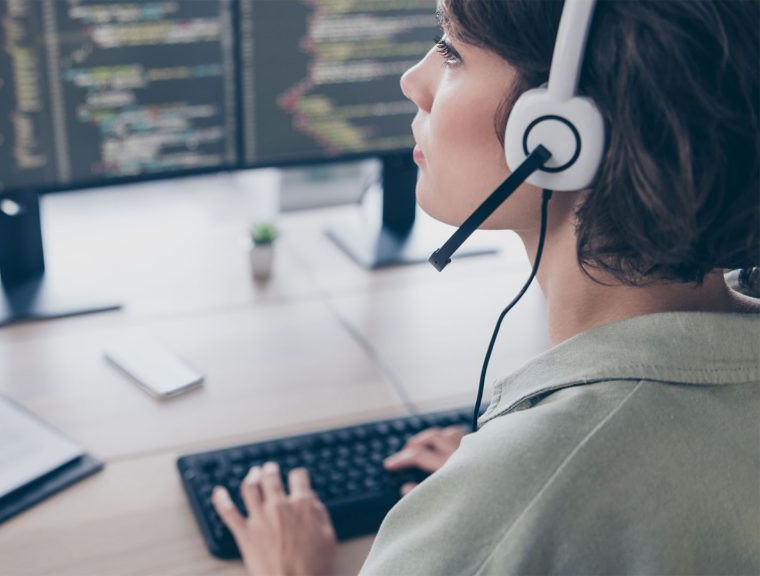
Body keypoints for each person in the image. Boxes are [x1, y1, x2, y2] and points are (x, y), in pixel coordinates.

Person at [210, 0, 760, 574]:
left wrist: (503, 493)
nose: (412, 81)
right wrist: (510, 471)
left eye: (451, 50)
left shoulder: (501, 515)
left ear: (558, 132)